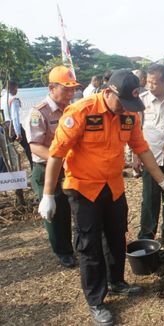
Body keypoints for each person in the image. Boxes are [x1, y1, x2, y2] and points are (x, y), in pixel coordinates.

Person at [38, 69, 164, 325]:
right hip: (82, 188)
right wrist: (47, 194)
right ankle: (96, 300)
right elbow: (57, 154)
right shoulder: (81, 112)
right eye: (122, 103)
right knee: (90, 246)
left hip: (113, 187)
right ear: (108, 91)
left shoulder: (128, 115)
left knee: (117, 237)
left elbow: (142, 148)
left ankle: (116, 281)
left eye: (130, 104)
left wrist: (162, 179)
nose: (125, 109)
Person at [26, 66, 79, 268]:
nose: (70, 94)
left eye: (73, 89)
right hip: (47, 168)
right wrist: (59, 159)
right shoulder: (39, 112)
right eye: (66, 89)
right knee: (55, 213)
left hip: (68, 167)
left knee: (71, 207)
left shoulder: (72, 109)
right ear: (51, 88)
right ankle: (63, 251)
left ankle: (75, 245)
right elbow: (35, 146)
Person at [136, 64, 164, 242]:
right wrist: (135, 157)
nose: (150, 86)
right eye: (148, 82)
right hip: (150, 158)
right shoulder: (141, 100)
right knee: (149, 199)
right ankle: (147, 234)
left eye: (154, 83)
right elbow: (136, 130)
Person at [0, 81, 33, 169]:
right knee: (29, 147)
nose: (17, 91)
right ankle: (33, 167)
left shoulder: (1, 99)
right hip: (12, 127)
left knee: (6, 151)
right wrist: (18, 133)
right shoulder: (13, 100)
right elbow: (15, 117)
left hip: (3, 127)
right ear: (12, 88)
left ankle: (8, 171)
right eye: (16, 88)